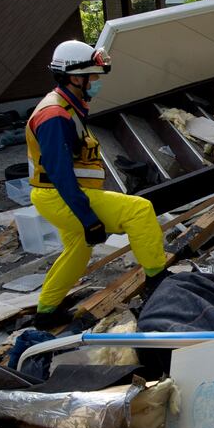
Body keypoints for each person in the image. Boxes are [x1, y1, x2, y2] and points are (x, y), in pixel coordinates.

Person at [26, 40, 167, 329]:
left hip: (57, 196)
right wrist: (87, 217)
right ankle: (158, 281)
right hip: (59, 196)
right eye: (93, 76)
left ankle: (46, 312)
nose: (97, 82)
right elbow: (59, 172)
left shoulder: (66, 105)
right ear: (75, 78)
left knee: (78, 250)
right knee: (139, 211)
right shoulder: (55, 116)